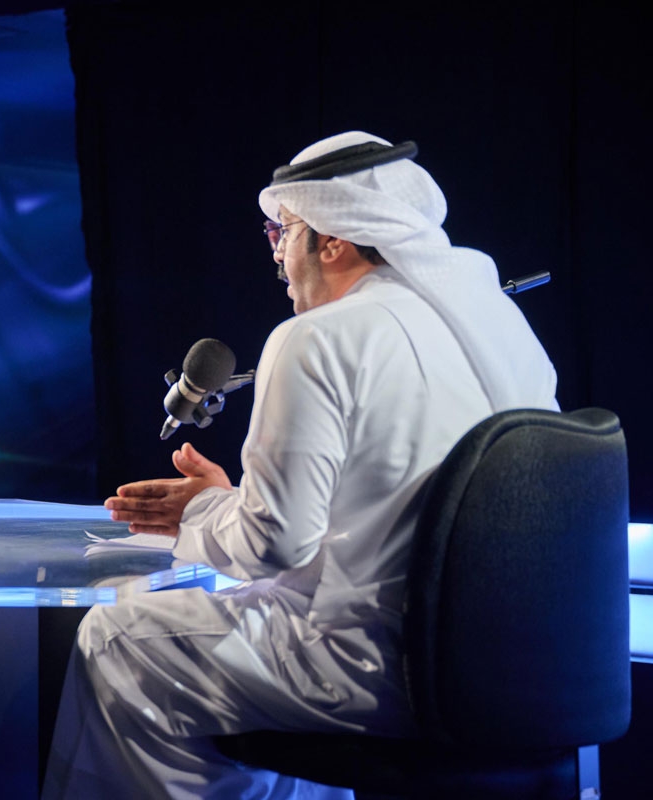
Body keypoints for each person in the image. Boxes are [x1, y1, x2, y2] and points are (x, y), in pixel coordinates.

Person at [42, 132, 558, 799]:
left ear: (332, 240)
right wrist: (234, 502)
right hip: (518, 667)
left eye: (283, 231)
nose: (277, 254)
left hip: (384, 667)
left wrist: (201, 511)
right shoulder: (502, 329)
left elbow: (276, 547)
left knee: (116, 639)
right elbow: (391, 515)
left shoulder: (313, 338)